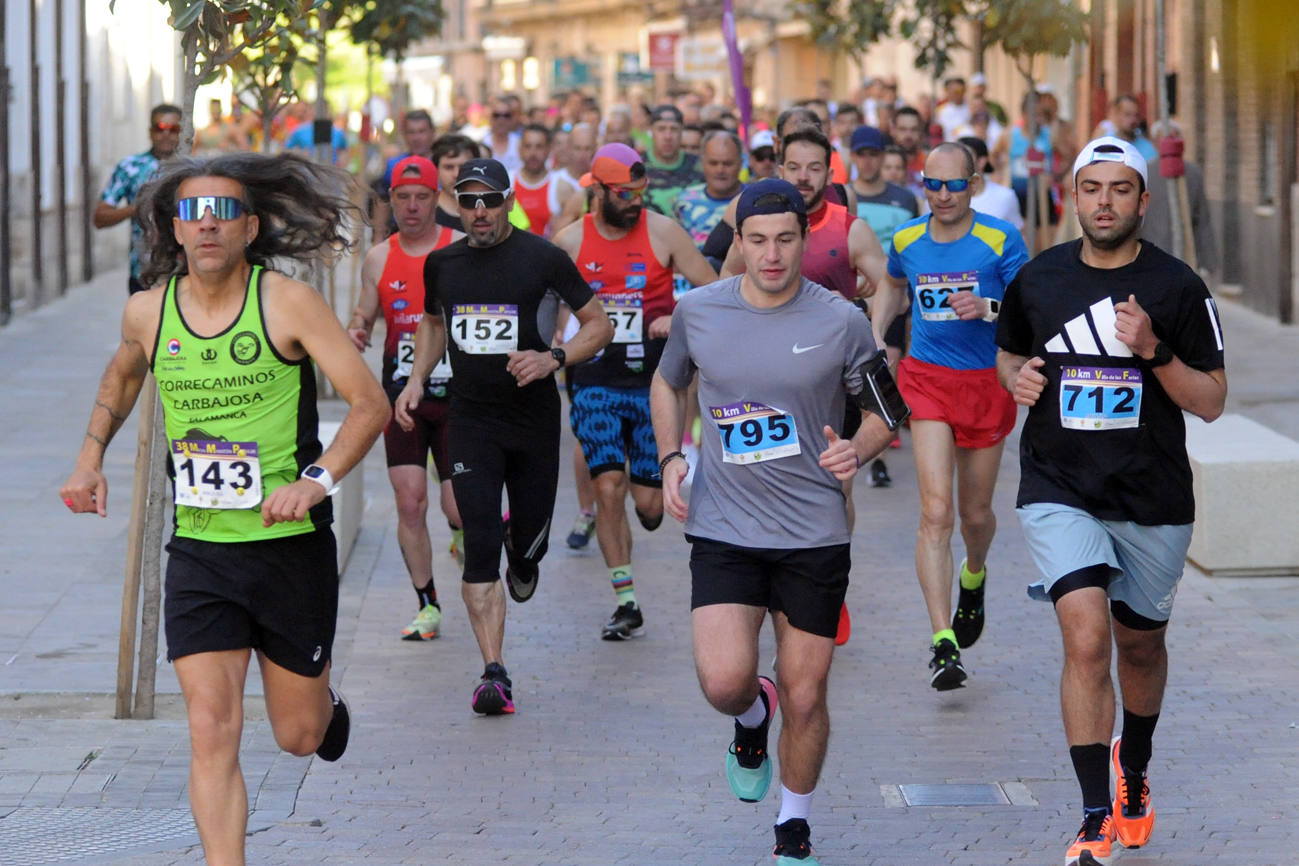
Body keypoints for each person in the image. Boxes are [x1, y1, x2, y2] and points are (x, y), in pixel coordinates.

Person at [62, 152, 389, 864]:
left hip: (288, 545)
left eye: (221, 214)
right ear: (172, 230)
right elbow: (121, 377)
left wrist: (317, 479)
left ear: (248, 227)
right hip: (202, 550)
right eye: (191, 213)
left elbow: (371, 403)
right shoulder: (148, 312)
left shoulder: (286, 303)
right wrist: (89, 460)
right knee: (211, 727)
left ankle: (324, 710)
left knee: (297, 736)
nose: (206, 226)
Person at [651, 178, 900, 866]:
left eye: (785, 239)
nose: (770, 254)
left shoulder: (840, 320)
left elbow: (886, 410)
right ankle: (749, 716)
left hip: (813, 532)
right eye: (756, 240)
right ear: (738, 240)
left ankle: (793, 826)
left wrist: (860, 446)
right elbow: (668, 381)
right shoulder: (700, 310)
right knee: (724, 682)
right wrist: (672, 456)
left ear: (804, 239)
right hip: (724, 526)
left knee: (807, 689)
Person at [995, 137, 1227, 866]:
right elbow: (1008, 353)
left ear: (1141, 200)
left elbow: (1212, 402)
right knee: (1086, 638)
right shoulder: (1037, 281)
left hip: (1150, 495)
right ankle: (1094, 814)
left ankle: (1135, 770)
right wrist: (1015, 380)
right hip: (1058, 487)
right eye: (1090, 188)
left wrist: (1154, 350)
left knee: (1139, 644)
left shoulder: (1177, 287)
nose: (1103, 202)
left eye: (1118, 189)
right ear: (1072, 196)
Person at [394, 158, 614, 714]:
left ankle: (525, 553)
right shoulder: (443, 264)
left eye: (490, 200)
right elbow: (434, 323)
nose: (480, 211)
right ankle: (494, 671)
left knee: (529, 541)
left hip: (533, 421)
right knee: (479, 542)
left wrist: (552, 359)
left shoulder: (543, 259)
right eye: (469, 201)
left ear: (509, 201)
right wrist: (417, 378)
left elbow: (599, 324)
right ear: (458, 205)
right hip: (471, 422)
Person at [870, 142, 1029, 691]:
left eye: (953, 185)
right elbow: (892, 285)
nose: (941, 195)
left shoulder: (999, 240)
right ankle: (943, 642)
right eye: (931, 184)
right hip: (927, 380)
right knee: (935, 513)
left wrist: (987, 308)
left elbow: (1033, 308)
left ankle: (974, 574)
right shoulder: (908, 239)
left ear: (975, 185)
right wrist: (875, 336)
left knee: (974, 515)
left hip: (986, 383)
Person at [553, 144, 717, 639]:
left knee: (649, 508)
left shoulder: (664, 233)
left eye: (639, 193)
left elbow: (711, 291)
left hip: (655, 385)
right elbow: (542, 302)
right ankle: (626, 601)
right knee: (608, 486)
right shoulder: (569, 241)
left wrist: (678, 315)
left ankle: (638, 519)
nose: (634, 203)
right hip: (594, 381)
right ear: (597, 191)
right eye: (623, 194)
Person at [347, 156, 461, 641]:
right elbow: (363, 317)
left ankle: (463, 533)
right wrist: (354, 333)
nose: (411, 207)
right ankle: (428, 605)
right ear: (389, 202)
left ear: (437, 200)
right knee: (410, 503)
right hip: (403, 400)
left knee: (457, 509)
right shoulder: (379, 258)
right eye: (402, 198)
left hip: (459, 396)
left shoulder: (460, 250)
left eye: (421, 197)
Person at [848, 124, 920, 488]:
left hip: (891, 296)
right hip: (850, 298)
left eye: (874, 153)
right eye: (861, 153)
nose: (868, 160)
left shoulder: (904, 198)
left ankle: (877, 453)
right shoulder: (844, 195)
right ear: (853, 155)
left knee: (885, 366)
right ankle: (859, 440)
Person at [93, 103, 182, 295]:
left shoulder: (192, 168)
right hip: (143, 273)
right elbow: (100, 217)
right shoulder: (130, 167)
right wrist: (137, 208)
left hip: (186, 273)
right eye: (160, 128)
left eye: (173, 129)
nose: (166, 134)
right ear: (150, 132)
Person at [674, 130, 745, 256]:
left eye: (727, 164)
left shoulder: (755, 200)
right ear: (702, 163)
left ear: (740, 163)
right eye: (713, 163)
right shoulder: (684, 200)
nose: (720, 170)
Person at [372, 109, 438, 240]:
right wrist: (378, 238)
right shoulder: (393, 166)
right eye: (411, 132)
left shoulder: (445, 166)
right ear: (404, 135)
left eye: (421, 131)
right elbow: (382, 201)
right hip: (401, 236)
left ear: (432, 133)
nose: (416, 138)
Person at [643, 104, 704, 217]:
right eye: (661, 129)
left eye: (674, 129)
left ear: (682, 132)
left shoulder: (699, 166)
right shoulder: (638, 166)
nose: (668, 136)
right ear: (651, 132)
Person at [513, 124, 558, 237]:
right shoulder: (507, 181)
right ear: (520, 149)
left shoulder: (560, 184)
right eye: (528, 146)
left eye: (539, 147)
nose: (533, 153)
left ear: (549, 149)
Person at [1092, 94, 1159, 164]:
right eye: (1127, 114)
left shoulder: (1147, 147)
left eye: (1136, 115)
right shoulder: (1104, 145)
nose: (1133, 120)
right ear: (1115, 115)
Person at [484, 97, 523, 176]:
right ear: (490, 118)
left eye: (506, 115)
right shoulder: (483, 144)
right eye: (496, 115)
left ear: (512, 118)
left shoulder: (520, 144)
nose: (501, 120)